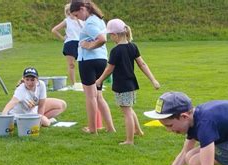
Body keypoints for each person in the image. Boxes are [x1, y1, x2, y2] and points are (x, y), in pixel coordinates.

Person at [95, 19, 160, 145]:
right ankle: (138, 131)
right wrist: (153, 80)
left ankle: (129, 140)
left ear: (115, 35)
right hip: (131, 84)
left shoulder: (116, 51)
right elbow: (142, 64)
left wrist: (99, 80)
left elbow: (109, 69)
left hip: (122, 85)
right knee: (129, 109)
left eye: (110, 35)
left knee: (127, 112)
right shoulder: (133, 46)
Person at [70, 1, 116, 134]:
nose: (77, 18)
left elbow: (102, 39)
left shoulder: (90, 22)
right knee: (99, 96)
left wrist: (89, 46)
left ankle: (92, 129)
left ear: (83, 9)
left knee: (90, 97)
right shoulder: (100, 20)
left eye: (77, 14)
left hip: (88, 61)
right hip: (101, 59)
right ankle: (110, 127)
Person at [2, 67, 67, 127]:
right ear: (23, 79)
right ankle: (45, 120)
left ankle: (39, 120)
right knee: (46, 123)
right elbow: (11, 103)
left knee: (62, 104)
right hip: (23, 115)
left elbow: (42, 105)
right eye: (27, 80)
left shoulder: (41, 84)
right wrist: (3, 116)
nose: (29, 83)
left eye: (32, 80)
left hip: (34, 109)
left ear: (37, 79)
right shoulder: (20, 89)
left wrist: (40, 117)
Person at [51, 3, 84, 90]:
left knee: (83, 63)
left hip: (80, 43)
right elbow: (54, 30)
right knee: (71, 65)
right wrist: (63, 38)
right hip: (70, 43)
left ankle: (85, 82)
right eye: (69, 11)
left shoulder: (81, 21)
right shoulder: (66, 21)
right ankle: (73, 83)